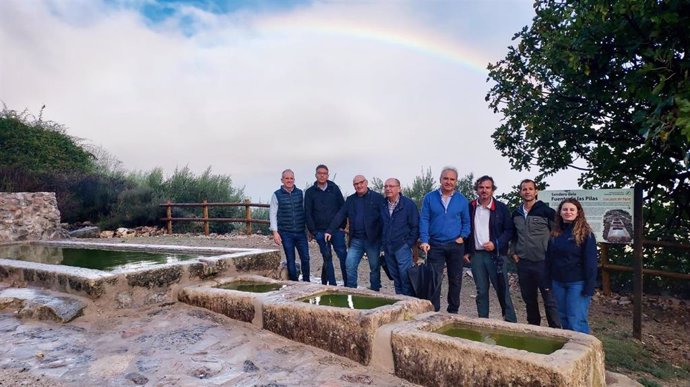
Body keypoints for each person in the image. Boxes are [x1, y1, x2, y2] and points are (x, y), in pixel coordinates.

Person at [464, 176, 517, 322]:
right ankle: (483, 321)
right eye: (481, 187)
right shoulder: (470, 207)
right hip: (477, 255)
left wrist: (496, 243)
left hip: (496, 254)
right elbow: (465, 229)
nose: (484, 190)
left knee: (502, 289)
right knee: (481, 291)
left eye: (488, 187)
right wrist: (466, 250)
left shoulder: (501, 208)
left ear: (492, 190)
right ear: (477, 189)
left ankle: (511, 322)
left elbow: (509, 230)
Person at [510, 179, 561, 328]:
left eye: (530, 189)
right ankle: (533, 329)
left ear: (536, 191)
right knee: (529, 299)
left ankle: (555, 332)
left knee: (550, 300)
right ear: (520, 192)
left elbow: (557, 234)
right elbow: (513, 236)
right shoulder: (516, 214)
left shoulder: (547, 212)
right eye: (524, 189)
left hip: (543, 263)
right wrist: (513, 252)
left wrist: (553, 257)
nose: (527, 192)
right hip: (523, 263)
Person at [419, 167, 471, 313]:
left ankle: (453, 311)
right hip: (435, 244)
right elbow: (424, 219)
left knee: (455, 280)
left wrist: (463, 236)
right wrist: (424, 239)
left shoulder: (461, 200)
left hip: (456, 245)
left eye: (452, 179)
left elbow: (467, 222)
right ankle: (433, 311)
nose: (448, 182)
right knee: (434, 280)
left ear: (456, 181)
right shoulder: (430, 197)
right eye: (446, 178)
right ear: (440, 179)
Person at [545, 198, 598, 334]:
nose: (568, 212)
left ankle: (582, 351)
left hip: (577, 283)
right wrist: (547, 281)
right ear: (560, 213)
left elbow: (591, 262)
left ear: (578, 212)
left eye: (571, 209)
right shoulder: (555, 234)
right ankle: (569, 350)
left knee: (576, 319)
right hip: (558, 282)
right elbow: (549, 258)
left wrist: (589, 286)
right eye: (565, 209)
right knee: (563, 317)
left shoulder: (586, 234)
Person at [326, 175, 384, 290]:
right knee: (350, 265)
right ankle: (352, 290)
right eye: (356, 184)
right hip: (356, 240)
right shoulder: (351, 200)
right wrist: (329, 230)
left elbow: (384, 218)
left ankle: (375, 290)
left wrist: (383, 239)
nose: (359, 185)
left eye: (361, 182)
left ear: (366, 183)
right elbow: (340, 215)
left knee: (374, 267)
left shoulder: (377, 198)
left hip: (372, 240)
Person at [304, 164, 347, 286]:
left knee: (343, 256)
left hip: (336, 230)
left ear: (328, 175)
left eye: (324, 173)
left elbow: (342, 208)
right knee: (327, 257)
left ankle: (348, 284)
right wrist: (314, 231)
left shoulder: (334, 189)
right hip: (320, 231)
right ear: (316, 175)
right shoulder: (310, 192)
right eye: (320, 173)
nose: (322, 175)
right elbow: (308, 212)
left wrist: (342, 226)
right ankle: (332, 285)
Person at [380, 178, 419, 296]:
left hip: (402, 246)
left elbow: (415, 226)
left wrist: (408, 244)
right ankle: (399, 303)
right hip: (388, 247)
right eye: (386, 186)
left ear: (399, 188)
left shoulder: (408, 204)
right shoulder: (382, 204)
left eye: (391, 186)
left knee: (405, 277)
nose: (388, 189)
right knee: (395, 277)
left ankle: (409, 305)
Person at [269, 169, 310, 282]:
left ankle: (306, 281)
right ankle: (294, 283)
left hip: (301, 232)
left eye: (291, 178)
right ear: (282, 180)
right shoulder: (276, 195)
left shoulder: (301, 193)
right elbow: (272, 214)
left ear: (294, 179)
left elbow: (306, 211)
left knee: (306, 258)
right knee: (290, 259)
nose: (289, 180)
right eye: (287, 178)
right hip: (286, 232)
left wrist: (309, 229)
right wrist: (275, 232)